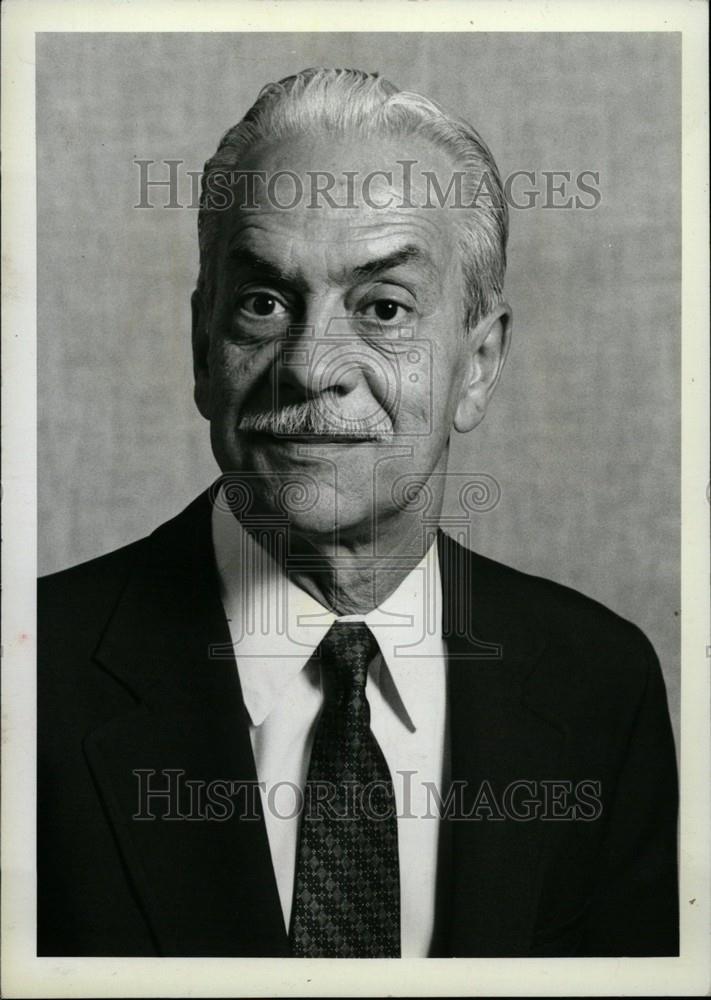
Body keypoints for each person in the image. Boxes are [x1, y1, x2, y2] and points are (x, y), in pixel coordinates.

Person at [38, 67, 678, 958]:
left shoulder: (600, 683)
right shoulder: (27, 675)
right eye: (263, 303)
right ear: (201, 345)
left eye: (382, 307)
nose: (309, 365)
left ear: (479, 364)